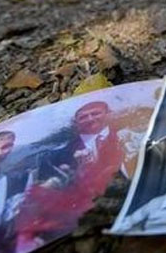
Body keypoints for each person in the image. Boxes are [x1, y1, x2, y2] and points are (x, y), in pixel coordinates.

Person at [14, 101, 125, 252]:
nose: (90, 118)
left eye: (96, 113)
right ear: (75, 123)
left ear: (109, 114)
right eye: (83, 117)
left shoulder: (128, 135)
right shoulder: (55, 157)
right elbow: (45, 196)